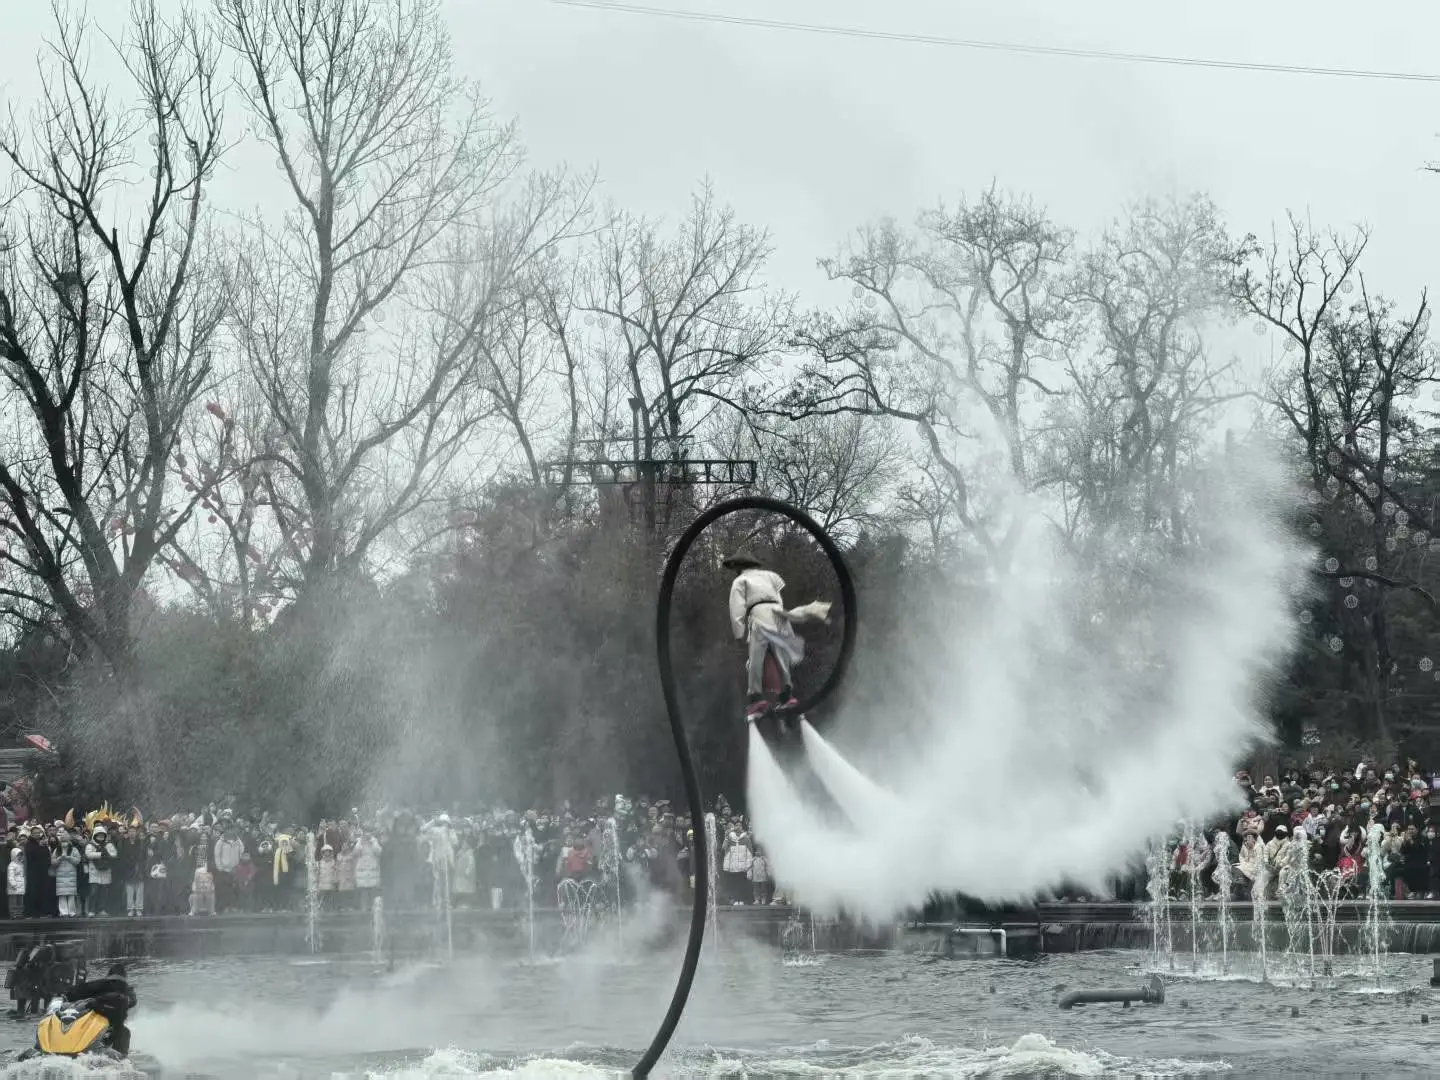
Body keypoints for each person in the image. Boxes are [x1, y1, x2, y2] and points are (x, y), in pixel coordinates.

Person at [723, 551, 831, 720]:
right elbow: (778, 600)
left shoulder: (740, 581)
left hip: (759, 615)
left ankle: (756, 698)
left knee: (756, 659)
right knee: (782, 657)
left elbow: (736, 609)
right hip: (778, 614)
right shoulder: (770, 576)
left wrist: (739, 633)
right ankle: (787, 696)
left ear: (739, 567)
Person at [63, 963, 136, 1057]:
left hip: (93, 1024)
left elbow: (74, 993)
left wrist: (66, 995)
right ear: (125, 977)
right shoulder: (128, 990)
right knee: (124, 1033)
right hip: (114, 1027)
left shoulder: (100, 984)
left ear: (109, 974)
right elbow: (133, 1002)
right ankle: (122, 1058)